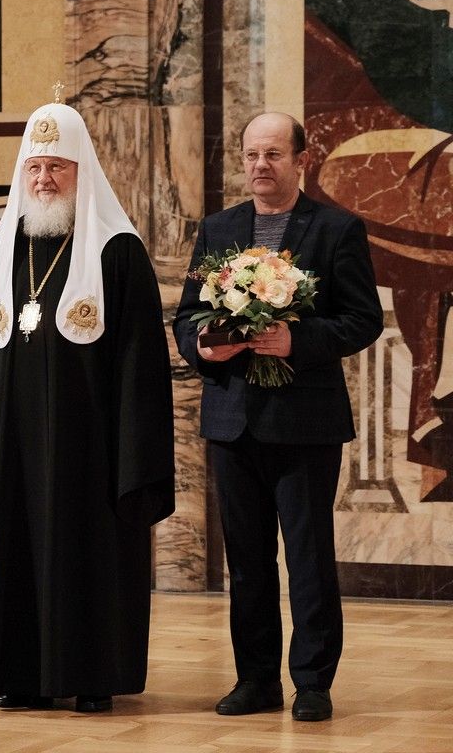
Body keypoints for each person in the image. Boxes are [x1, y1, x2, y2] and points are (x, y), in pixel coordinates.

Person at [0, 103, 175, 713]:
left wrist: (134, 460)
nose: (44, 179)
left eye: (57, 167)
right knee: (21, 554)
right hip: (18, 447)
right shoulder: (2, 252)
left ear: (82, 171)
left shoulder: (118, 252)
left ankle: (93, 675)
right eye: (35, 167)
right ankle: (21, 674)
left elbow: (140, 366)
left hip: (91, 449)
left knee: (90, 555)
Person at [173, 112, 383, 722]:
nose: (260, 165)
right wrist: (202, 346)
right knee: (247, 561)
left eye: (272, 154)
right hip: (232, 419)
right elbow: (187, 316)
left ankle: (312, 682)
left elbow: (362, 319)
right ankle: (256, 679)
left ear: (300, 159)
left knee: (308, 557)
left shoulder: (337, 228)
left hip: (306, 423)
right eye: (250, 155)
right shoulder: (219, 229)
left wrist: (299, 340)